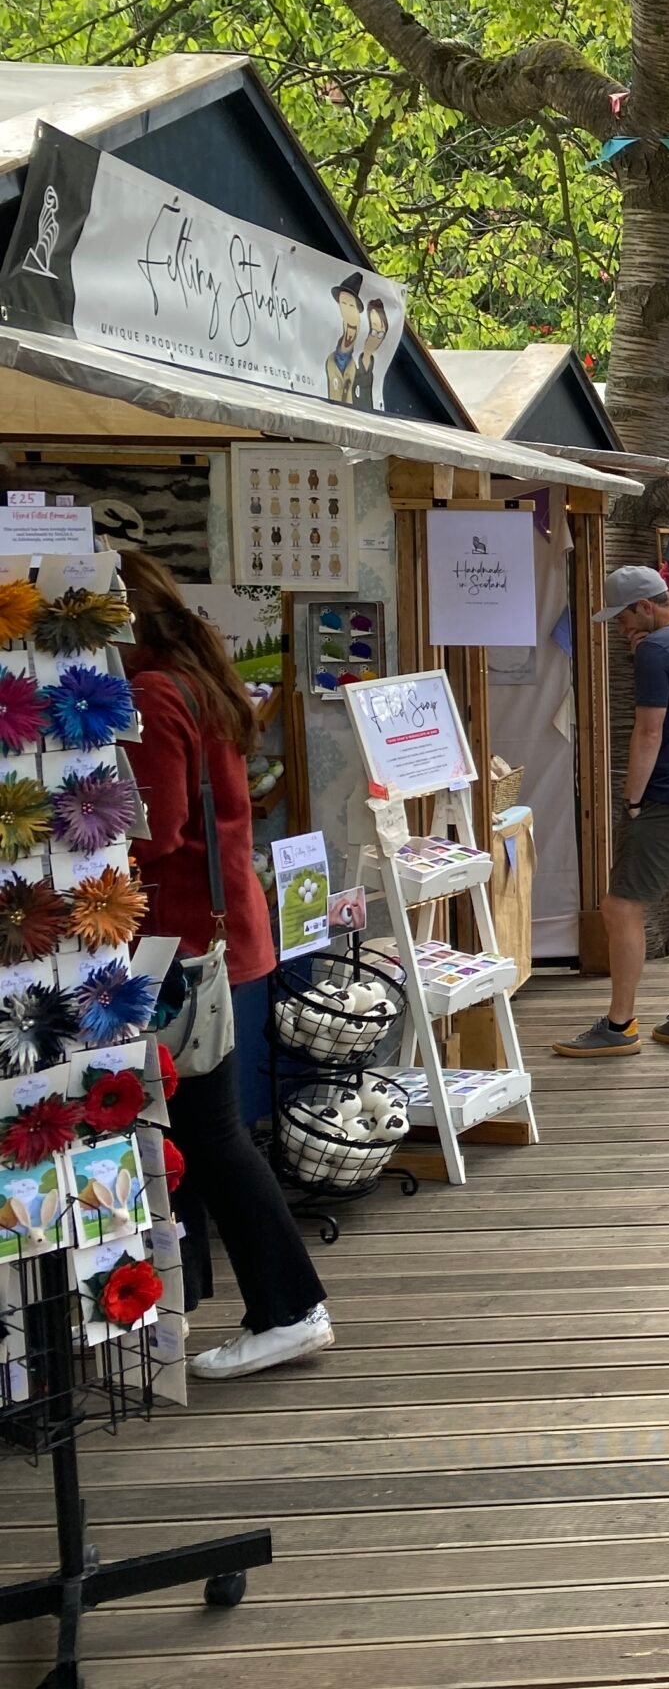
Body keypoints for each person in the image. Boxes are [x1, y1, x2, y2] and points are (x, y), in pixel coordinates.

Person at [121, 551, 333, 1380]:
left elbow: (156, 831)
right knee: (207, 1129)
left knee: (208, 1131)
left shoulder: (153, 693)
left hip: (177, 945)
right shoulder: (195, 679)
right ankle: (276, 1305)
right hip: (217, 935)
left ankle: (287, 1307)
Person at [556, 566, 669, 1056]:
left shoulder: (657, 651)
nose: (621, 629)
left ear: (645, 606)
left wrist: (633, 799)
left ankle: (619, 1026)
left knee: (620, 906)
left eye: (623, 617)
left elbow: (649, 732)